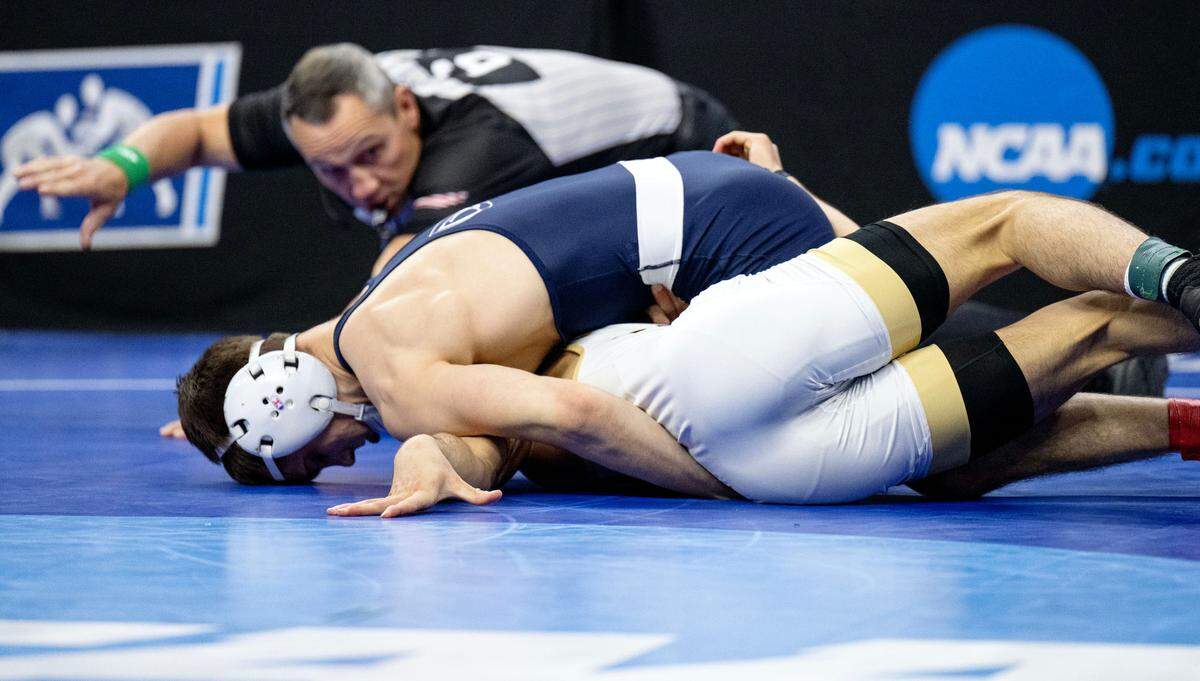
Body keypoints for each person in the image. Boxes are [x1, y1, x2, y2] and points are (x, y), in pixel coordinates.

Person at [178, 133, 1200, 507]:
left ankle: (1157, 381)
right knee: (1007, 232)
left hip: (728, 254)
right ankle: (1173, 296)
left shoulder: (403, 384)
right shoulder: (393, 311)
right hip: (714, 271)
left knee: (984, 389)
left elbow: (551, 425)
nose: (341, 459)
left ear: (288, 398)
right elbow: (515, 429)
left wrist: (722, 485)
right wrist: (218, 417)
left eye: (319, 456)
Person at [13, 44, 738, 261]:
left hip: (682, 142)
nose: (358, 183)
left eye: (369, 154)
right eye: (328, 168)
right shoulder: (331, 109)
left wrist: (271, 383)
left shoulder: (473, 144)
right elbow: (198, 130)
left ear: (403, 106)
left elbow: (395, 289)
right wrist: (123, 166)